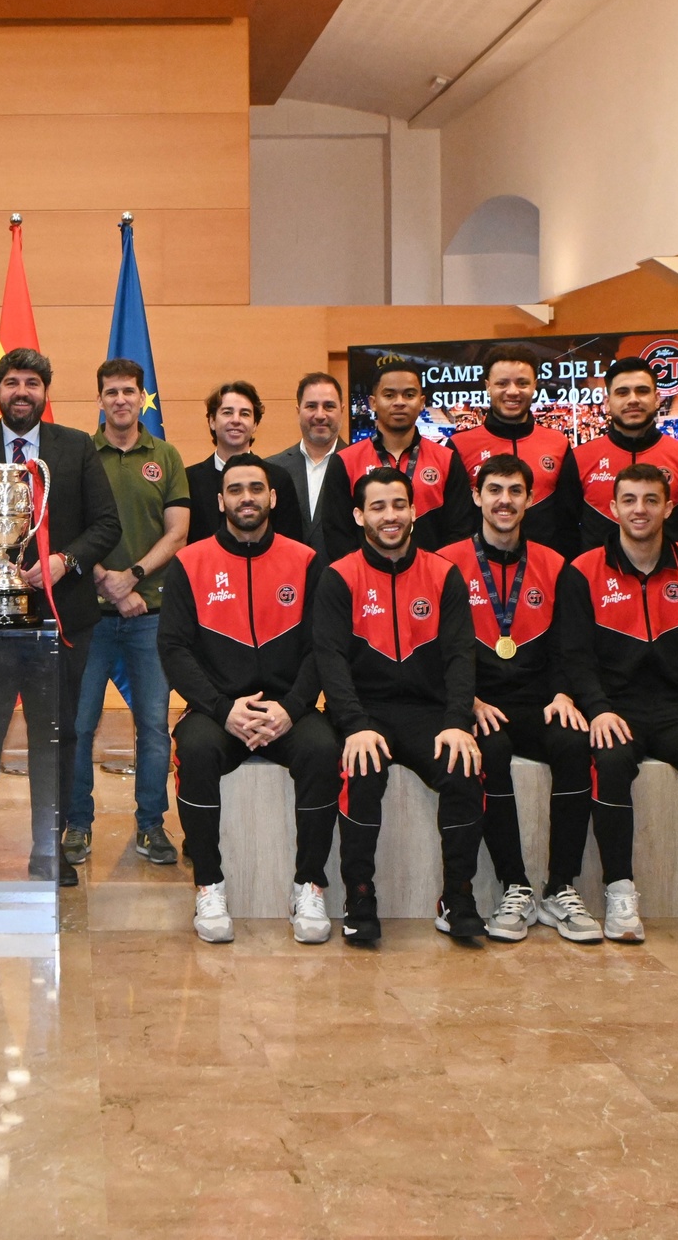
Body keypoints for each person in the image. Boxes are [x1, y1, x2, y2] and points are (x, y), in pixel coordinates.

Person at [0, 348, 123, 886]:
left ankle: (48, 850)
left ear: (45, 392)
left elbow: (106, 524)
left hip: (61, 625)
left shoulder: (76, 447)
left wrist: (64, 562)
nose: (21, 392)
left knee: (56, 738)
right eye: (12, 382)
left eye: (32, 383)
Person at [558, 463, 678, 944]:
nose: (640, 509)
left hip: (676, 708)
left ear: (668, 506)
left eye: (651, 499)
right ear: (613, 508)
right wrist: (598, 708)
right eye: (629, 500)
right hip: (613, 707)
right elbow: (575, 655)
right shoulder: (583, 569)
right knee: (610, 761)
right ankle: (619, 891)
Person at [159, 454, 338, 945]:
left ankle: (309, 886)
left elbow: (322, 647)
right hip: (219, 709)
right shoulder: (190, 563)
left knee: (323, 750)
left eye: (256, 488)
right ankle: (209, 885)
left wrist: (292, 708)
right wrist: (222, 709)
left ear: (272, 498)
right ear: (220, 501)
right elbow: (174, 648)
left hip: (288, 709)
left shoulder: (305, 561)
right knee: (195, 750)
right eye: (235, 490)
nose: (246, 498)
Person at [315, 466, 487, 944]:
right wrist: (354, 724)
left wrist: (457, 722)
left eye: (398, 505)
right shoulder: (338, 576)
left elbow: (460, 655)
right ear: (359, 516)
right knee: (362, 769)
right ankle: (360, 897)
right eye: (377, 507)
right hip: (364, 712)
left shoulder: (444, 573)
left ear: (413, 510)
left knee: (463, 767)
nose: (389, 516)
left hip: (428, 713)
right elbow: (329, 660)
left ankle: (458, 897)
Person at [435, 454, 602, 944]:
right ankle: (515, 886)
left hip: (540, 699)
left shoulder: (556, 565)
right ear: (476, 497)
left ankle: (561, 886)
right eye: (494, 490)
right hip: (480, 701)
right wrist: (467, 701)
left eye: (514, 491)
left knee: (574, 744)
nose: (504, 500)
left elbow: (570, 644)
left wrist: (563, 693)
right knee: (489, 751)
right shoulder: (445, 563)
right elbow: (438, 649)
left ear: (530, 499)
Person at [69, 359, 191, 867]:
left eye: (129, 391)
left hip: (152, 616)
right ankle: (77, 825)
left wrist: (133, 576)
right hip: (89, 617)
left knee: (154, 726)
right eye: (111, 392)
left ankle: (151, 825)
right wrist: (109, 583)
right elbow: (67, 530)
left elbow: (178, 532)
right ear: (99, 399)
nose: (120, 399)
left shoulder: (166, 455)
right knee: (79, 725)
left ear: (143, 398)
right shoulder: (79, 453)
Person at [319, 358, 475, 561]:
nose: (399, 402)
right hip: (365, 578)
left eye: (409, 395)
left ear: (422, 402)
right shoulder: (345, 461)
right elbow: (337, 534)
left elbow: (460, 532)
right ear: (373, 403)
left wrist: (437, 572)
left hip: (433, 576)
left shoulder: (447, 460)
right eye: (389, 395)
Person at [446, 345, 583, 558]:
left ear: (534, 386)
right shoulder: (460, 446)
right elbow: (455, 525)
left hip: (545, 569)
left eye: (522, 383)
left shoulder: (558, 444)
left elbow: (569, 523)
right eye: (502, 383)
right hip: (478, 570)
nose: (512, 391)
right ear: (488, 386)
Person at [573, 356, 678, 552]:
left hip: (672, 571)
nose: (633, 399)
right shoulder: (580, 459)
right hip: (596, 572)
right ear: (607, 403)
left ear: (657, 398)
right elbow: (566, 531)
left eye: (642, 391)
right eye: (622, 392)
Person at [185, 381, 304, 545]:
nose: (236, 420)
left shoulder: (278, 478)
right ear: (212, 421)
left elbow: (291, 544)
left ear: (255, 424)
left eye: (245, 414)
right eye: (227, 412)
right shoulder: (188, 480)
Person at [266, 372, 347, 551]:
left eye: (329, 406)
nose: (320, 415)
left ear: (342, 410)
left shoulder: (357, 465)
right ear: (298, 411)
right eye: (311, 406)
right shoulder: (272, 469)